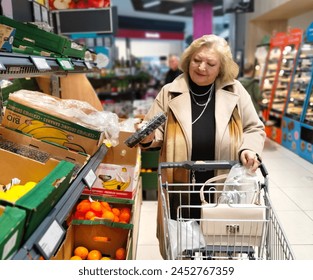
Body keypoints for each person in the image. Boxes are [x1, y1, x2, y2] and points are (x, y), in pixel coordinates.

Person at [138, 34, 266, 258]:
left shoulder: (235, 92)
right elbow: (153, 130)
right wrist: (146, 136)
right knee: (182, 247)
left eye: (210, 63)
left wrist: (248, 149)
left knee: (220, 244)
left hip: (222, 183)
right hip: (180, 186)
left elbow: (254, 128)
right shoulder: (169, 92)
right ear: (188, 60)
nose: (202, 67)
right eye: (197, 60)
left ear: (221, 68)